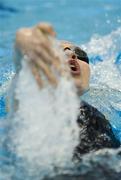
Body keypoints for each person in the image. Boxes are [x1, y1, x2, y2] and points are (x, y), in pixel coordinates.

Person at [14, 22, 120, 159]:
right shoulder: (32, 103)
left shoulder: (106, 104)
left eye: (79, 53)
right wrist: (22, 49)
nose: (71, 54)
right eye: (56, 52)